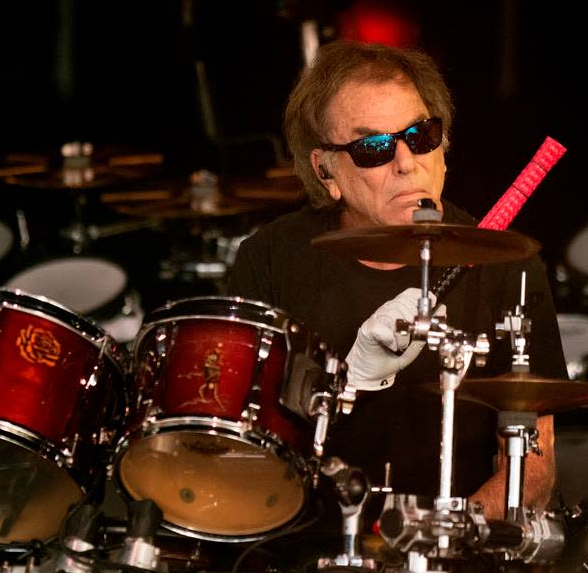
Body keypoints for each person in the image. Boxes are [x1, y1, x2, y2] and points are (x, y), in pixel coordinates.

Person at [227, 41, 566, 526]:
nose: (407, 162)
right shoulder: (269, 260)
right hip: (308, 541)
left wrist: (433, 541)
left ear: (443, 147)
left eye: (421, 135)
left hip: (459, 547)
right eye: (373, 148)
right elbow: (242, 453)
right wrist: (352, 379)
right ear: (327, 171)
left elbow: (533, 469)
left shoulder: (506, 263)